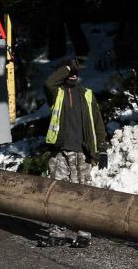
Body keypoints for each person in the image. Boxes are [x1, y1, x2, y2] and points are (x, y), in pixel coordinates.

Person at [39, 57, 108, 248]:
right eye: (70, 72)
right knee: (57, 193)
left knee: (82, 194)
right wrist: (69, 66)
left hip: (82, 153)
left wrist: (102, 148)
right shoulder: (57, 93)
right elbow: (48, 82)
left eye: (77, 72)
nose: (74, 75)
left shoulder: (86, 94)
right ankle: (57, 233)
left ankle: (84, 233)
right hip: (59, 152)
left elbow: (98, 122)